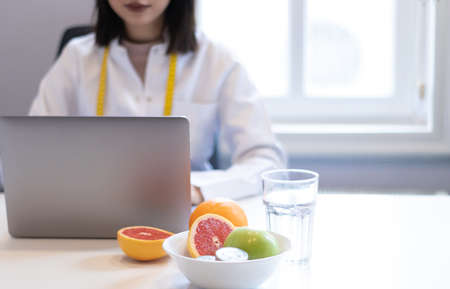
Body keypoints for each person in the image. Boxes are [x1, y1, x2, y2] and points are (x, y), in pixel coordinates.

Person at [28, 0, 285, 204]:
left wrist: (197, 190)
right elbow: (31, 152)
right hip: (88, 214)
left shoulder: (218, 60)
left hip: (185, 220)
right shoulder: (75, 58)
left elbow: (266, 162)